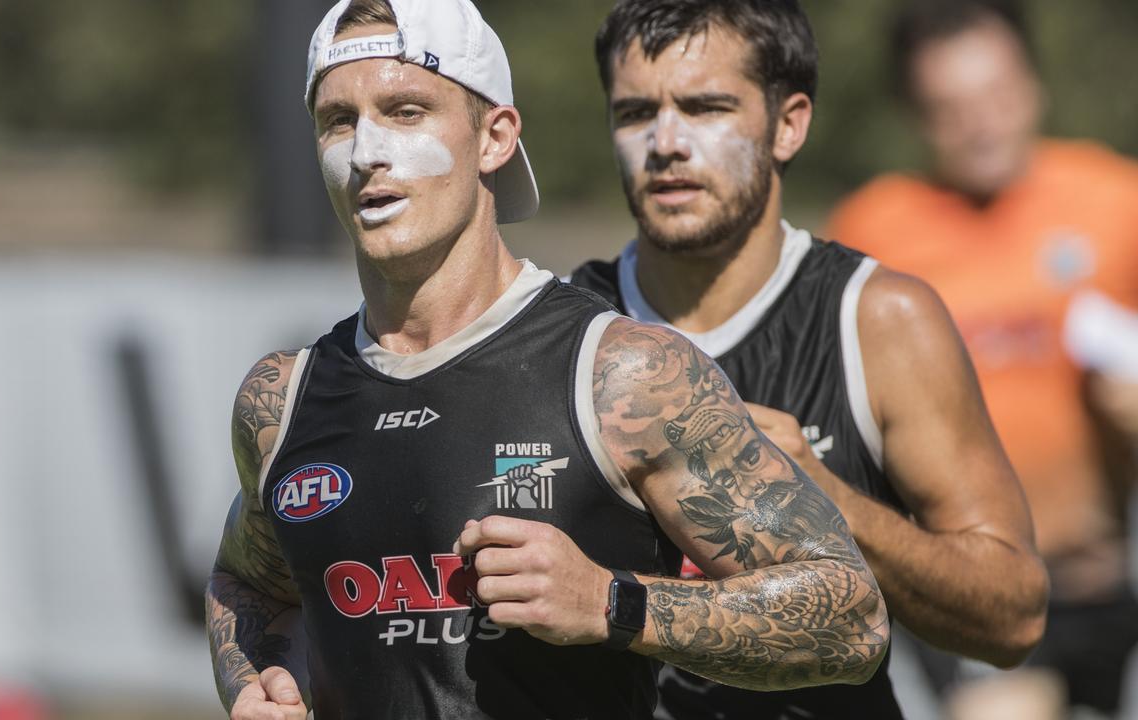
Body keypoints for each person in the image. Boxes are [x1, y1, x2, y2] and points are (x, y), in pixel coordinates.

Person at [202, 0, 890, 718]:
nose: (368, 150)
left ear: (494, 137)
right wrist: (254, 681)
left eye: (406, 111)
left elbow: (851, 617)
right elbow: (244, 583)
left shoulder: (621, 372)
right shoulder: (281, 398)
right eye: (338, 121)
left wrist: (610, 602)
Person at [568, 1, 1048, 718]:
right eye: (636, 113)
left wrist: (824, 500)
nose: (666, 141)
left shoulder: (877, 318)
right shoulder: (566, 329)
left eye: (705, 108)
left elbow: (1013, 619)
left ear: (789, 124)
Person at [828, 0, 1138, 716]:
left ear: (1033, 85)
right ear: (916, 114)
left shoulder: (1114, 202)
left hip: (1106, 579)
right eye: (953, 106)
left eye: (997, 95)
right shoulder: (875, 233)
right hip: (978, 587)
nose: (983, 123)